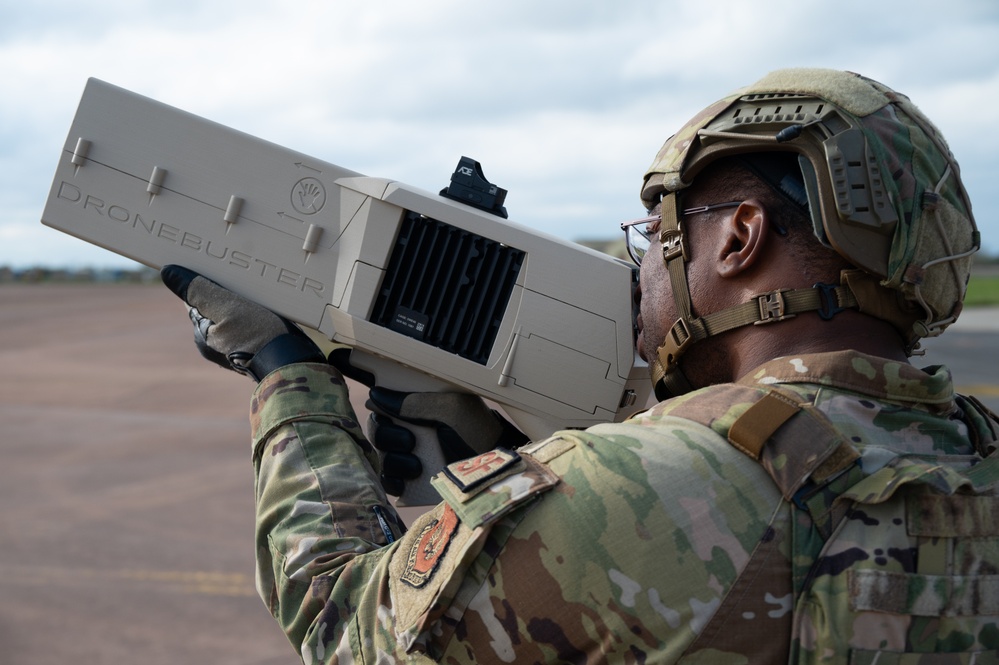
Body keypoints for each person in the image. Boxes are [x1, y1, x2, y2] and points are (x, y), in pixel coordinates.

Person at [162, 68, 999, 663]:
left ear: (739, 239)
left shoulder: (634, 490)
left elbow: (344, 621)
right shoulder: (975, 457)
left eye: (659, 232)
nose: (642, 268)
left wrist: (285, 372)